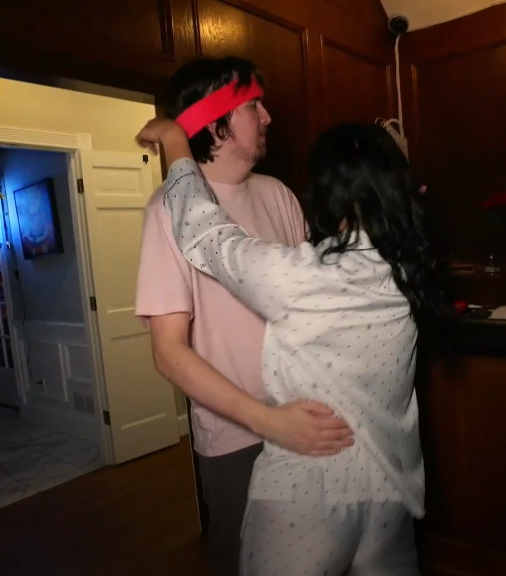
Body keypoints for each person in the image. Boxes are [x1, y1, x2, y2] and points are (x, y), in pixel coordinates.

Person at [136, 117, 451, 575]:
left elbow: (206, 235)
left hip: (310, 492)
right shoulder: (404, 269)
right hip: (390, 490)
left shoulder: (303, 277)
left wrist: (173, 142)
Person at [135, 56, 353, 576]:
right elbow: (168, 353)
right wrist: (268, 420)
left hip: (308, 417)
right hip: (238, 439)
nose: (268, 116)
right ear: (216, 123)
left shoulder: (277, 193)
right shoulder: (166, 210)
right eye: (254, 105)